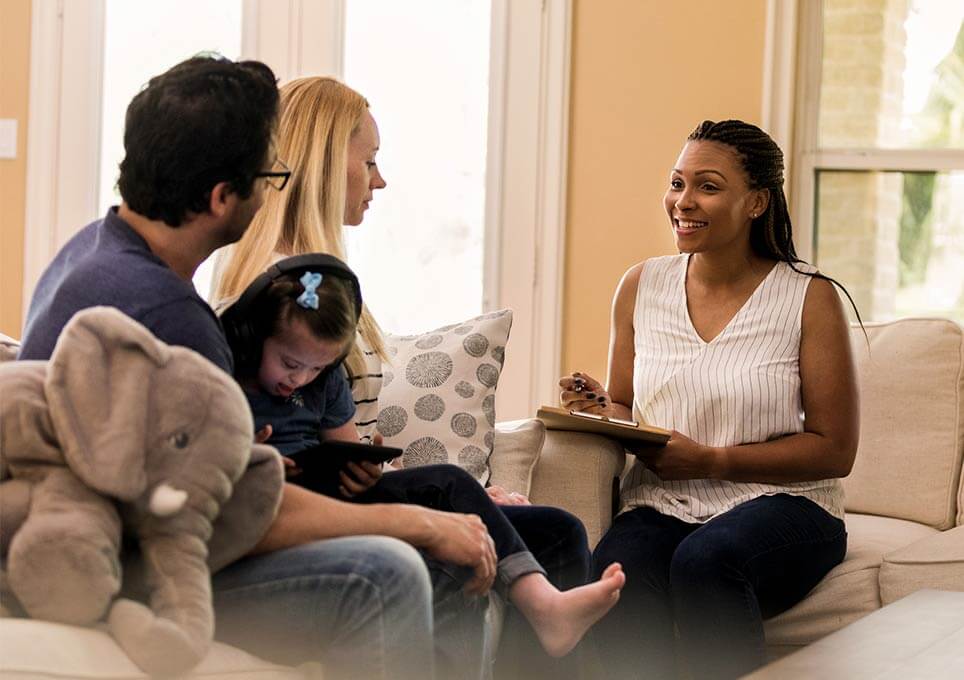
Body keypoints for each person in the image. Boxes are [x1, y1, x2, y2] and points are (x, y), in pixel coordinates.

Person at [17, 54, 500, 680]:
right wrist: (416, 522)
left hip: (91, 533)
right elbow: (235, 513)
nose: (275, 189)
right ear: (222, 197)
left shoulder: (92, 247)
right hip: (130, 566)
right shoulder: (171, 319)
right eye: (268, 175)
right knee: (383, 572)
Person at [214, 75, 601, 678]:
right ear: (324, 165)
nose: (380, 180)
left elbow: (348, 442)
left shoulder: (324, 288)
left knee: (553, 530)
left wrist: (464, 498)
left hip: (352, 490)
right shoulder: (272, 301)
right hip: (312, 507)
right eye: (368, 161)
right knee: (528, 535)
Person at [558, 119, 859, 679]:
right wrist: (602, 411)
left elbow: (835, 449)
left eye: (708, 187)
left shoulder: (809, 297)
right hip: (663, 502)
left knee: (706, 561)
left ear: (756, 203)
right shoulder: (640, 285)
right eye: (677, 183)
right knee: (617, 573)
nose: (683, 201)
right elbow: (625, 404)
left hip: (786, 503)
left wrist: (713, 460)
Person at [221, 258, 625, 658]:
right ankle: (541, 604)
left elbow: (346, 447)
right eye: (291, 364)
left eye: (316, 368)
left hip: (330, 491)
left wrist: (365, 468)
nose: (299, 379)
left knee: (455, 483)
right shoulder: (227, 375)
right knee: (453, 556)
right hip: (276, 499)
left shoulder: (323, 380)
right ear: (253, 337)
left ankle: (542, 600)